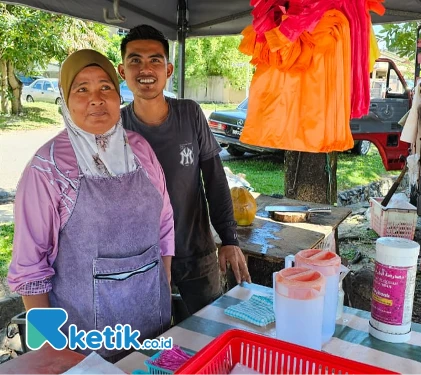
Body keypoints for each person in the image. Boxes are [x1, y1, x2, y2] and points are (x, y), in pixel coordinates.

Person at [8, 49, 174, 361]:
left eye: (105, 87)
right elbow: (30, 270)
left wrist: (162, 284)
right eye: (81, 89)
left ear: (117, 93)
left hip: (153, 328)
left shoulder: (140, 149)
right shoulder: (48, 168)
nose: (96, 99)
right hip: (84, 347)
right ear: (65, 99)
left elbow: (164, 223)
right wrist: (51, 351)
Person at [118, 25, 251, 318]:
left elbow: (215, 179)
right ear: (121, 70)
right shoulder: (116, 127)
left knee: (209, 331)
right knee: (150, 341)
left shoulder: (190, 113)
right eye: (135, 60)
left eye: (154, 60)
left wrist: (229, 239)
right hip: (142, 259)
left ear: (168, 69)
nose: (145, 69)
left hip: (196, 252)